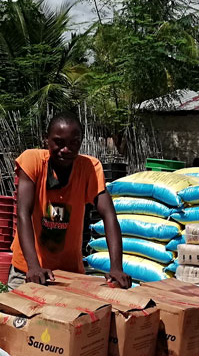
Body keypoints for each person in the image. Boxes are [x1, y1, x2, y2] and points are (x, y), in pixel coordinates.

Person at [11, 114, 130, 289]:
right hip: (28, 269)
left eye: (73, 143)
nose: (66, 149)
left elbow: (109, 215)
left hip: (69, 274)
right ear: (46, 140)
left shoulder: (90, 168)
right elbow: (23, 213)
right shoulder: (32, 161)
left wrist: (116, 268)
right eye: (59, 142)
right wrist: (34, 266)